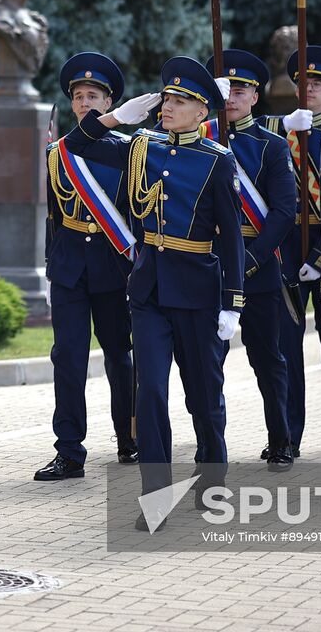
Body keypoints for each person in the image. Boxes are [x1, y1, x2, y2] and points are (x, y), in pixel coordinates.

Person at [63, 57, 245, 528]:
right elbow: (76, 145)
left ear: (201, 112)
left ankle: (212, 478)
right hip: (148, 290)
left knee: (204, 396)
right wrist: (114, 117)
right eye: (166, 98)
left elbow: (230, 238)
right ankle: (156, 497)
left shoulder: (218, 161)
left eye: (180, 101)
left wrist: (232, 302)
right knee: (151, 394)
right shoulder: (141, 147)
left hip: (198, 292)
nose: (167, 106)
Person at [34, 52, 136, 482]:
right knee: (68, 360)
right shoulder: (57, 152)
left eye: (93, 95)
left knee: (120, 356)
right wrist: (50, 260)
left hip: (113, 267)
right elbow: (55, 215)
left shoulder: (130, 150)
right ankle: (69, 452)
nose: (84, 102)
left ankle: (129, 438)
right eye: (78, 96)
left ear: (109, 101)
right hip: (71, 269)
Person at [261, 46, 321, 454]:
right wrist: (285, 127)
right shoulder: (276, 131)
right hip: (286, 245)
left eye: (319, 84)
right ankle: (287, 437)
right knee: (285, 348)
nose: (310, 89)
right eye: (304, 82)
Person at [204, 50, 297, 470]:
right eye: (225, 89)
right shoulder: (199, 139)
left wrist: (251, 260)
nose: (232, 98)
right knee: (206, 363)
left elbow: (283, 211)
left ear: (255, 97)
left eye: (240, 90)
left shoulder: (272, 146)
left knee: (267, 359)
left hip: (256, 267)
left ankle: (280, 438)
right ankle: (211, 448)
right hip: (206, 265)